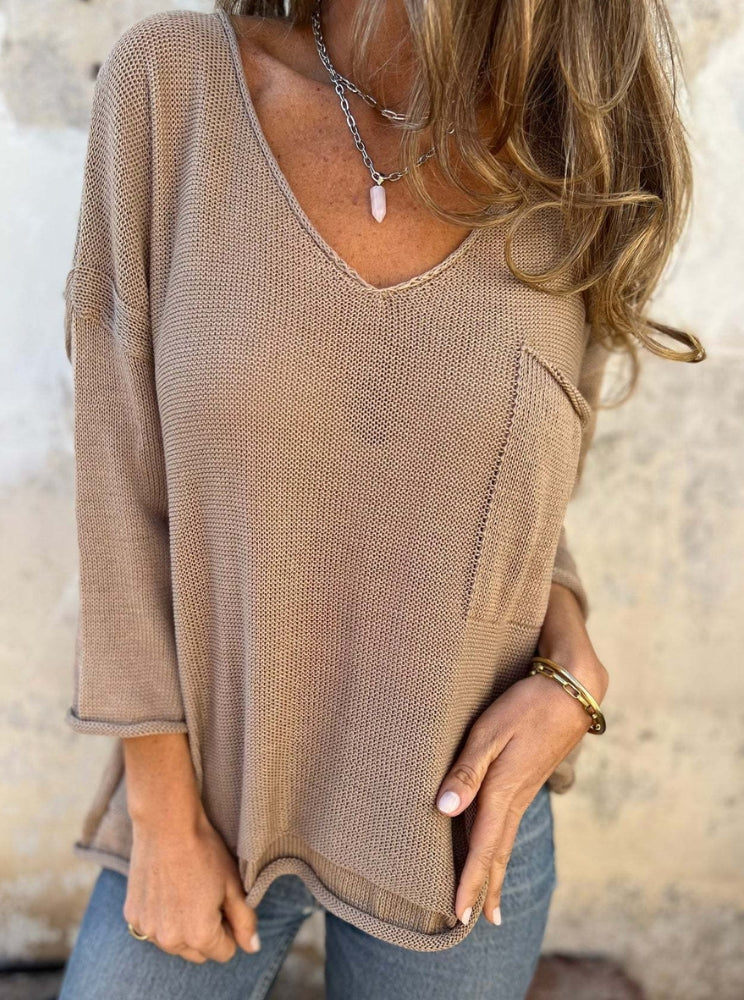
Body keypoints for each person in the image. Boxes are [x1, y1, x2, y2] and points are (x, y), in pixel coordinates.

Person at [57, 2, 704, 998]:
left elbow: (506, 502)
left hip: (453, 834)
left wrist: (570, 667)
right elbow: (118, 480)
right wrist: (160, 814)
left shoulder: (566, 149)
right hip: (209, 806)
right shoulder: (175, 85)